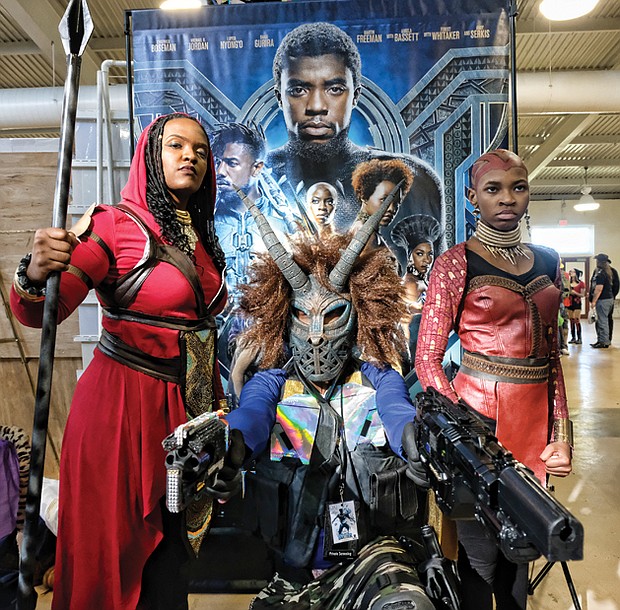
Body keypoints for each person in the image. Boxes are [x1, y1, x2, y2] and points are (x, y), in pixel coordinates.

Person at [10, 113, 240, 610]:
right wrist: (33, 271)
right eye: (176, 145)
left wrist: (216, 423)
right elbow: (43, 309)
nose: (190, 157)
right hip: (118, 416)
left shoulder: (200, 239)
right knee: (109, 563)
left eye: (200, 150)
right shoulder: (114, 226)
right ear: (150, 157)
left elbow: (199, 336)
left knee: (168, 569)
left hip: (182, 418)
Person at [225, 192, 437, 610]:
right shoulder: (273, 384)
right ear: (284, 318)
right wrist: (231, 448)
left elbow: (395, 407)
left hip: (373, 560)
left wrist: (411, 437)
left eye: (333, 315)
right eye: (304, 317)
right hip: (294, 569)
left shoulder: (375, 378)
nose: (318, 335)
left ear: (358, 313)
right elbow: (250, 415)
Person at [415, 149, 572, 610]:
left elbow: (553, 358)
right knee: (478, 553)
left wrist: (561, 435)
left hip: (533, 426)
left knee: (522, 547)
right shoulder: (453, 263)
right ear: (472, 198)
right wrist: (461, 439)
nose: (507, 198)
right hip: (478, 423)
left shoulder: (548, 259)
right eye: (493, 188)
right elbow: (426, 358)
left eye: (518, 187)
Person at [266, 22, 444, 240]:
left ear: (355, 95)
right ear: (279, 98)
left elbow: (433, 269)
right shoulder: (257, 180)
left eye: (334, 89)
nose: (316, 106)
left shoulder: (411, 180)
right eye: (299, 90)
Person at [390, 214, 442, 369]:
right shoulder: (410, 284)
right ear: (410, 256)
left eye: (430, 254)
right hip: (411, 352)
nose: (427, 260)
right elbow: (411, 316)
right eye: (420, 253)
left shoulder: (423, 281)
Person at [350, 158, 414, 258]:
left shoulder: (369, 232)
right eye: (384, 200)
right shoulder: (365, 234)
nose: (391, 209)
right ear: (364, 196)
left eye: (397, 204)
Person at [588, 253, 615, 348]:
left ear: (599, 262)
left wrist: (594, 301)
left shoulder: (600, 274)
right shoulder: (608, 273)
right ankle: (602, 340)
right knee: (603, 321)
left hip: (603, 300)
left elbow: (599, 289)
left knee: (602, 321)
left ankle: (603, 342)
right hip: (609, 299)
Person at [567, 268, 585, 345]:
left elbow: (582, 295)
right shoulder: (568, 283)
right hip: (569, 303)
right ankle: (573, 337)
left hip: (577, 303)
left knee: (576, 319)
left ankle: (579, 338)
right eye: (570, 271)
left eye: (572, 271)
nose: (571, 273)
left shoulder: (581, 283)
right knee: (571, 320)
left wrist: (575, 293)